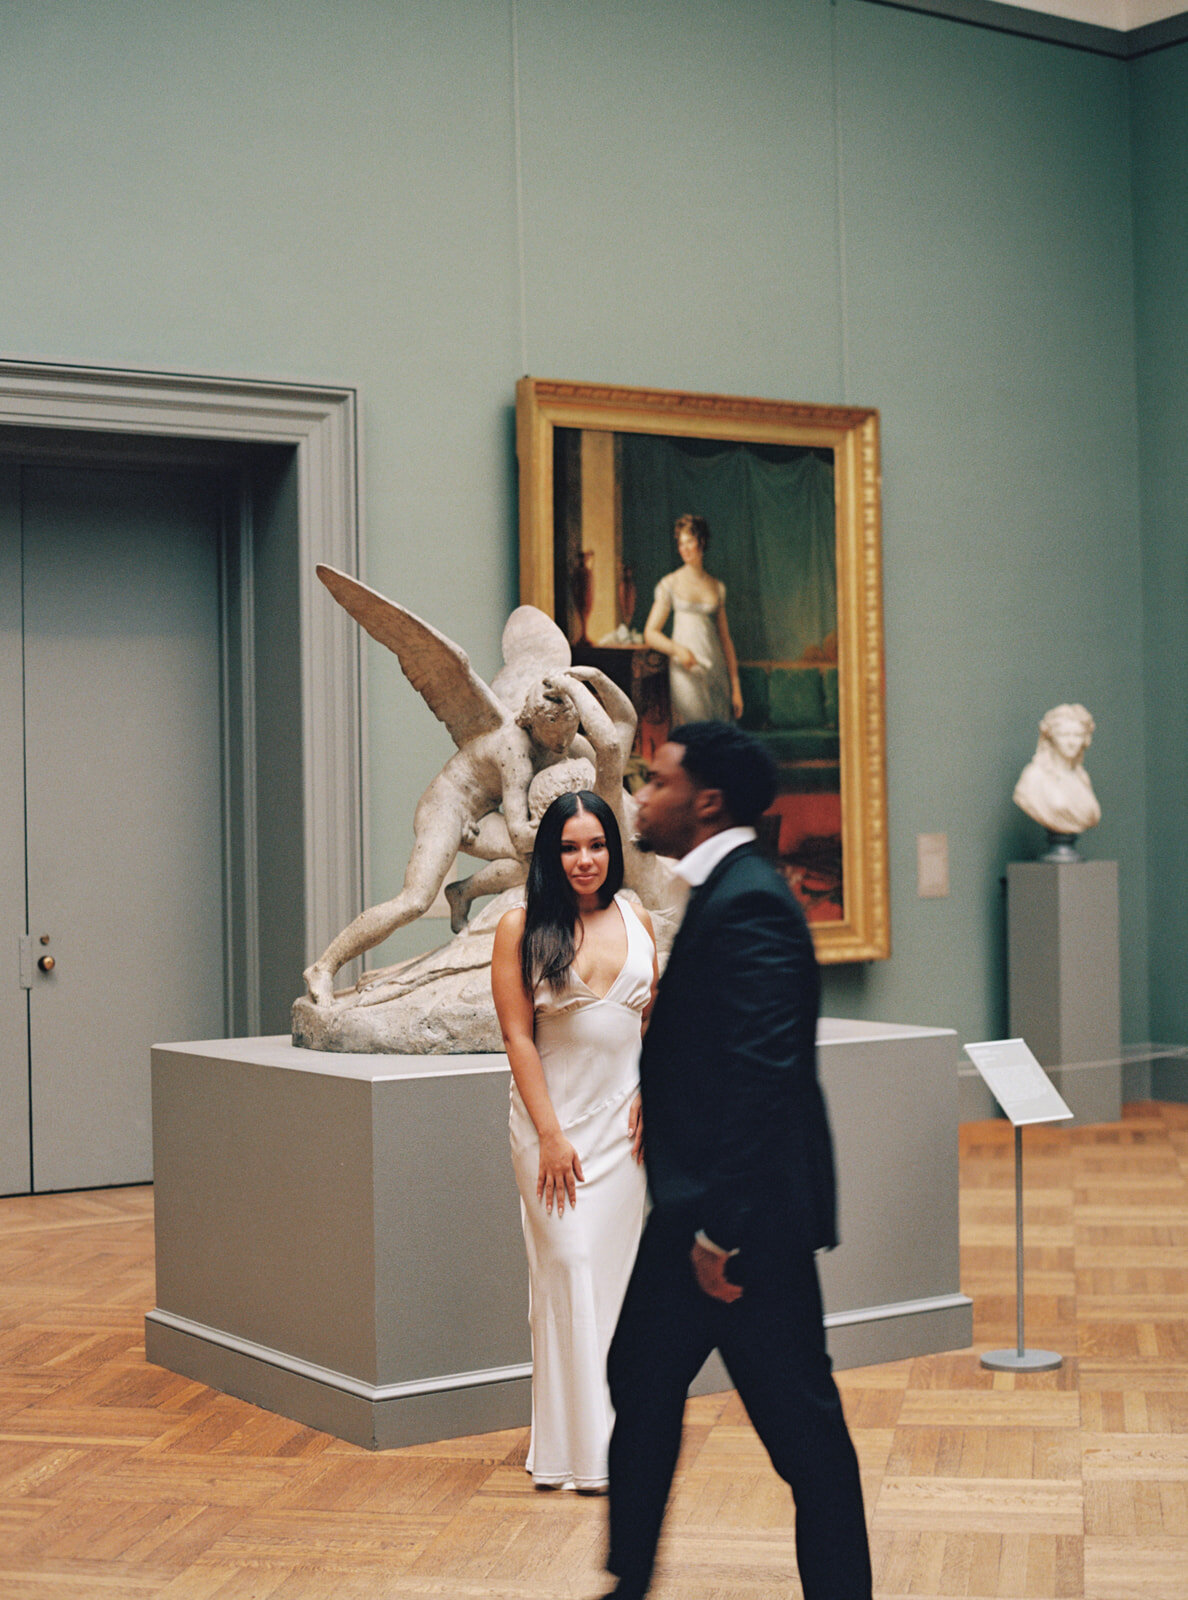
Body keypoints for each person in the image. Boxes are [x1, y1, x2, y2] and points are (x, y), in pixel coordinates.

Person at [601, 721, 872, 1600]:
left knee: (803, 1436)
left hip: (739, 1227)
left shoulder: (750, 897)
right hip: (699, 1213)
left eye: (658, 780)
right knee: (641, 1379)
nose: (641, 795)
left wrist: (721, 1229)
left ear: (705, 801)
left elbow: (766, 1078)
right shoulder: (729, 888)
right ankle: (629, 1581)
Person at [491, 791, 657, 1492]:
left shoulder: (637, 915)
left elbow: (655, 1019)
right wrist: (551, 1136)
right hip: (551, 1130)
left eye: (595, 845)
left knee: (614, 1284)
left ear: (612, 850)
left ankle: (610, 1449)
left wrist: (656, 1093)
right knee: (570, 1266)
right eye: (569, 847)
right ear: (550, 855)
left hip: (627, 1134)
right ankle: (575, 1449)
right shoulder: (520, 927)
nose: (584, 860)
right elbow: (516, 1035)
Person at [643, 514, 744, 727]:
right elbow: (650, 633)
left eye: (690, 541)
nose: (685, 548)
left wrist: (736, 688)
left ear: (702, 542)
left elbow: (725, 640)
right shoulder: (670, 583)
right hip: (684, 668)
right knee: (692, 732)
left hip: (715, 668)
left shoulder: (716, 587)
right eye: (681, 542)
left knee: (717, 736)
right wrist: (678, 650)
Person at [1012, 702, 1101, 838]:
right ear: (1050, 737)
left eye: (1077, 735)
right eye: (1064, 735)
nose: (1071, 742)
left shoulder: (1082, 777)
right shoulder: (1034, 776)